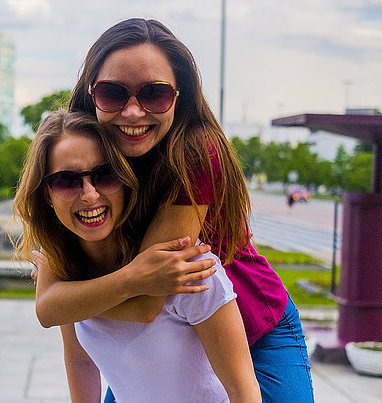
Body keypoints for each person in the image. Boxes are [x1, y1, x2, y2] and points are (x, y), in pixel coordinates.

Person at [34, 18, 314, 402]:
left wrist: (74, 295)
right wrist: (68, 295)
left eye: (155, 94)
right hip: (168, 333)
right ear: (91, 93)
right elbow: (51, 309)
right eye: (113, 93)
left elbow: (149, 298)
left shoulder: (196, 152)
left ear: (179, 96)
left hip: (253, 325)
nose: (132, 113)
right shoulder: (80, 154)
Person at [13, 110, 260, 402]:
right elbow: (80, 362)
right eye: (66, 181)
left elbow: (242, 390)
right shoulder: (69, 272)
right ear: (46, 195)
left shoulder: (186, 269)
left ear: (126, 180)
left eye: (105, 175)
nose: (90, 195)